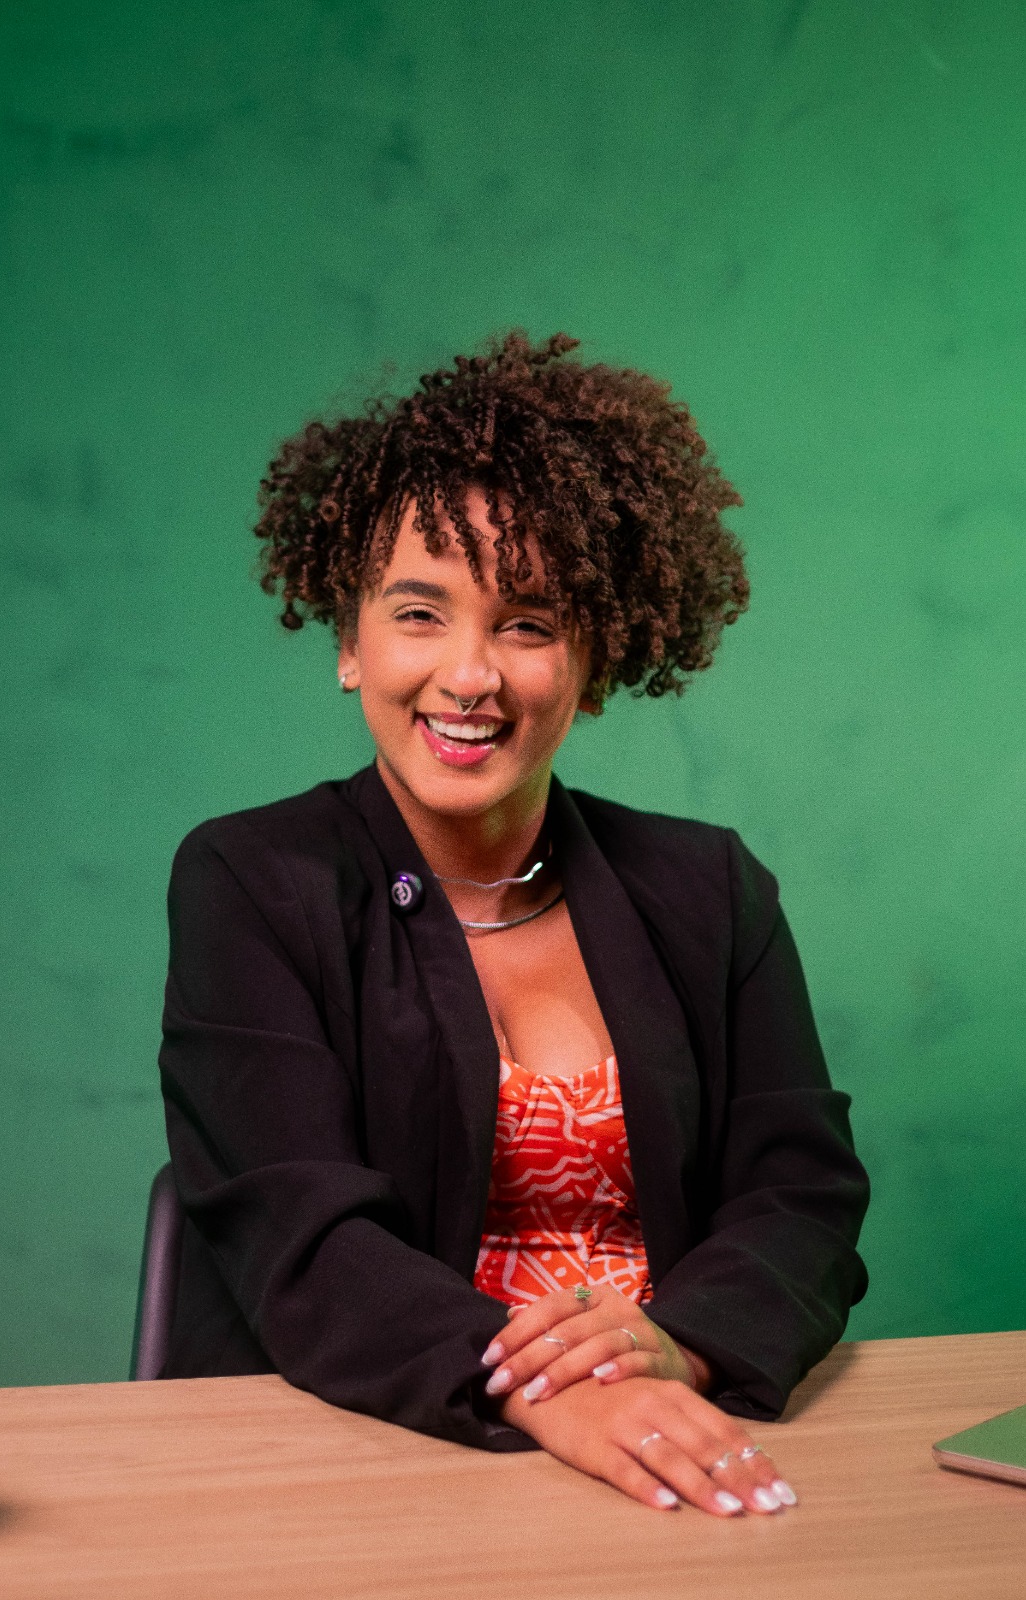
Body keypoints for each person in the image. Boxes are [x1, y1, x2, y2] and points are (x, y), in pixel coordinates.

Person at [159, 332, 868, 1518]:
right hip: (368, 1456)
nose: (469, 675)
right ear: (349, 643)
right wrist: (544, 1392)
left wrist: (682, 1347)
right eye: (419, 612)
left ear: (596, 659)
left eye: (529, 623)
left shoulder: (708, 888)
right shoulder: (251, 881)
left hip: (669, 1434)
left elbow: (800, 1194)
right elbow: (303, 1235)